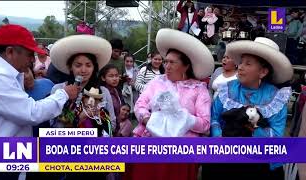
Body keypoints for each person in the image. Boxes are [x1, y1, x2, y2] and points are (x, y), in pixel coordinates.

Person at [0, 24, 79, 180]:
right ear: (10, 52)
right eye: (29, 55)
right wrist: (63, 94)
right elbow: (31, 113)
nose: (31, 60)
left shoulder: (6, 74)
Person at [123, 28, 214, 180]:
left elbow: (205, 124)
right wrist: (148, 119)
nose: (167, 66)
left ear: (186, 66)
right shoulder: (157, 82)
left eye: (172, 62)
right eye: (166, 62)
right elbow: (140, 105)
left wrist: (183, 119)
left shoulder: (198, 89)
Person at [203, 37, 293, 179]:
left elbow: (276, 135)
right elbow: (215, 118)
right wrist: (220, 137)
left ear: (263, 72)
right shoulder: (227, 89)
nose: (240, 67)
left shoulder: (276, 98)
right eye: (241, 62)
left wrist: (253, 128)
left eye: (248, 64)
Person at [49, 35, 116, 136]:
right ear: (70, 67)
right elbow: (53, 126)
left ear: (94, 68)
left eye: (88, 65)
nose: (83, 70)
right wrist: (80, 118)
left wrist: (100, 118)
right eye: (78, 65)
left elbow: (113, 124)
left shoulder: (103, 92)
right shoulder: (59, 89)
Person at [98, 64, 124, 135]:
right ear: (103, 78)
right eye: (111, 76)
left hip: (117, 129)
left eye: (116, 75)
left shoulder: (116, 90)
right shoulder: (101, 92)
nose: (115, 78)